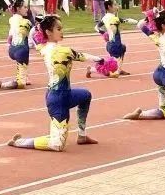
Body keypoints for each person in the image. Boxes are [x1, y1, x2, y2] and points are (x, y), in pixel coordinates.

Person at [7, 14, 101, 151]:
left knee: (86, 95)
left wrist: (41, 24)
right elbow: (82, 56)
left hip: (64, 94)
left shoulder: (43, 48)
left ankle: (82, 135)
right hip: (57, 99)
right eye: (58, 29)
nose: (62, 31)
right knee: (57, 145)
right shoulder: (64, 51)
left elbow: (34, 35)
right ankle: (19, 142)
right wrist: (101, 60)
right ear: (48, 32)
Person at [0, 0, 35, 91]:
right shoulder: (25, 21)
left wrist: (10, 46)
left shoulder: (12, 19)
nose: (27, 9)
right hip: (21, 50)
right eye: (25, 7)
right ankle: (1, 85)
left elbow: (10, 36)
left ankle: (24, 76)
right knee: (21, 84)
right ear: (18, 8)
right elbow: (33, 31)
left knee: (22, 65)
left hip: (13, 49)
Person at [91, 0, 138, 78]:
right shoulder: (114, 18)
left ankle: (119, 69)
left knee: (123, 48)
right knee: (111, 71)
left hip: (111, 44)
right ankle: (92, 70)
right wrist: (138, 22)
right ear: (109, 7)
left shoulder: (104, 17)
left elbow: (96, 27)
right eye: (115, 5)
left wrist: (104, 33)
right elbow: (127, 20)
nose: (117, 6)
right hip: (114, 45)